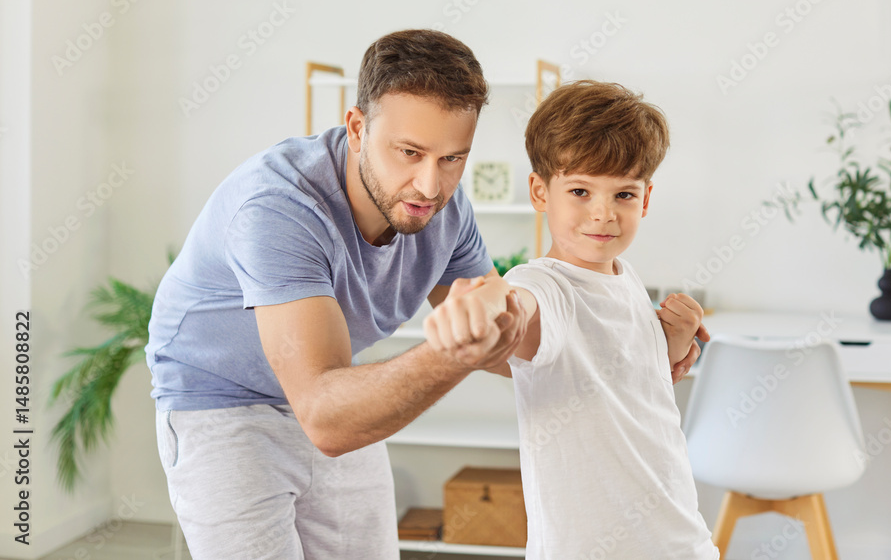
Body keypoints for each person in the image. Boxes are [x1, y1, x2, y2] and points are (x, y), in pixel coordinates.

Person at [145, 29, 527, 559]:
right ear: (357, 128)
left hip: (330, 384)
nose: (429, 186)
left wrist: (622, 339)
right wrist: (454, 352)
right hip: (221, 403)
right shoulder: (279, 206)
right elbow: (326, 420)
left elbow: (511, 345)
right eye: (409, 152)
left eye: (452, 158)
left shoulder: (446, 209)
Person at [424, 80, 719, 559]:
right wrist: (485, 306)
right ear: (540, 192)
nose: (603, 214)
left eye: (624, 195)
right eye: (580, 191)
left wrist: (675, 342)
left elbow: (621, 378)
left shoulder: (625, 278)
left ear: (646, 200)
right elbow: (518, 305)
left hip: (681, 541)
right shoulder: (545, 285)